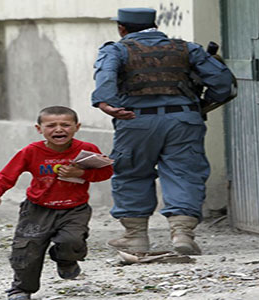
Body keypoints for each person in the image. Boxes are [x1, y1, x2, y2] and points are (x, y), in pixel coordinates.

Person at [91, 8, 235, 255]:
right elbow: (224, 84)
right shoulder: (188, 49)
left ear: (122, 29)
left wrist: (107, 104)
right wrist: (199, 105)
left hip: (136, 120)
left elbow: (106, 76)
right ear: (155, 25)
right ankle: (182, 234)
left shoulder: (115, 49)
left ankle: (135, 237)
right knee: (184, 173)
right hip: (184, 120)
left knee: (132, 173)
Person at [0, 106, 113, 300]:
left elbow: (106, 172)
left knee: (72, 241)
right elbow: (6, 176)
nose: (59, 129)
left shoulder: (87, 150)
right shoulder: (31, 152)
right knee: (26, 250)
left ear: (76, 127)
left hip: (74, 208)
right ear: (39, 129)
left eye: (65, 125)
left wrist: (81, 173)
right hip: (37, 209)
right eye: (51, 125)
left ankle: (65, 259)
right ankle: (21, 289)